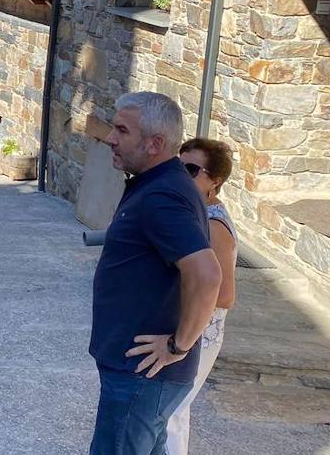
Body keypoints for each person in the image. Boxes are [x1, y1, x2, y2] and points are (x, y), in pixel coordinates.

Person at [90, 92, 222, 455]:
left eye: (121, 130)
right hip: (138, 372)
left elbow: (208, 276)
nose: (110, 138)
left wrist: (178, 345)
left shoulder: (162, 195)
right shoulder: (161, 184)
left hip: (142, 374)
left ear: (155, 143)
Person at [166, 138, 238, 455]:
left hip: (200, 330)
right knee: (168, 409)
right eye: (178, 167)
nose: (182, 175)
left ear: (215, 181)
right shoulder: (195, 212)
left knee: (171, 410)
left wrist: (183, 334)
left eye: (192, 169)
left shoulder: (212, 224)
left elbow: (223, 295)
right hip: (190, 324)